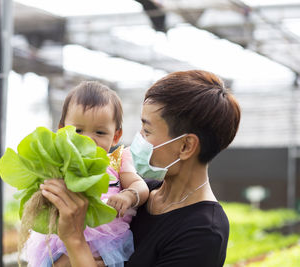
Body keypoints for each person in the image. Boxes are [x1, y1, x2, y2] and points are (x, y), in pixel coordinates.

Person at [39, 70, 241, 267]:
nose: (138, 138)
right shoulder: (140, 194)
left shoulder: (203, 233)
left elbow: (78, 247)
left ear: (186, 146)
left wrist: (75, 241)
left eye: (147, 130)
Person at [24, 81, 149, 267]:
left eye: (99, 132)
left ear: (115, 135)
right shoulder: (60, 162)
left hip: (106, 241)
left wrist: (129, 195)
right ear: (62, 129)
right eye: (78, 130)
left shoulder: (117, 160)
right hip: (61, 238)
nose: (88, 139)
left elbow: (141, 186)